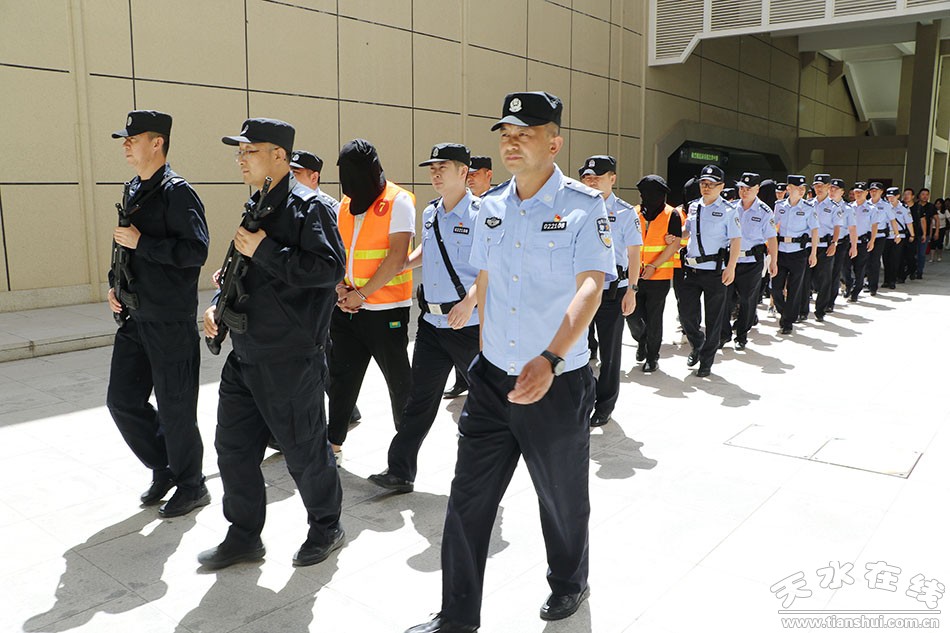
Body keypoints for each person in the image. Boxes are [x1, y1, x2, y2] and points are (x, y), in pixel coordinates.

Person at [405, 91, 615, 633]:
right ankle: (457, 618)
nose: (512, 143)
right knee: (467, 502)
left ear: (555, 143)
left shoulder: (583, 206)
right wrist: (481, 340)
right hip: (492, 380)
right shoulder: (491, 206)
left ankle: (569, 583)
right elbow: (486, 276)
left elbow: (591, 286)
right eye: (506, 134)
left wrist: (550, 356)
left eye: (525, 133)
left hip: (556, 383)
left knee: (561, 499)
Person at [199, 118, 345, 569]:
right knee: (233, 450)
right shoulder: (257, 203)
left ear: (280, 155)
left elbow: (329, 270)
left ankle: (327, 527)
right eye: (239, 152)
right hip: (246, 353)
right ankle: (244, 536)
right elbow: (238, 268)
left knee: (304, 452)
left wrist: (265, 250)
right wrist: (218, 306)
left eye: (250, 151)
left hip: (290, 358)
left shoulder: (311, 207)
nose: (241, 159)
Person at [105, 110, 210, 518]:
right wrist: (115, 284)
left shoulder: (177, 193)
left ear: (157, 143)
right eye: (125, 140)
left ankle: (192, 485)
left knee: (175, 407)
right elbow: (122, 245)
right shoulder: (133, 188)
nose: (126, 146)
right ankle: (164, 466)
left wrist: (143, 243)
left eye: (133, 139)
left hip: (169, 321)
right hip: (135, 317)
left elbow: (195, 251)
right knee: (122, 400)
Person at [369, 143, 481, 493]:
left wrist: (469, 303)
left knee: (488, 400)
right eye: (432, 168)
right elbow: (431, 249)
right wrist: (405, 263)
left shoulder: (482, 215)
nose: (434, 174)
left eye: (442, 167)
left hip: (468, 326)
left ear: (463, 171)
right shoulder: (431, 212)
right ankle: (399, 471)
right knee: (418, 401)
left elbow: (492, 269)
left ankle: (489, 471)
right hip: (431, 326)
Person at [327, 140, 415, 463]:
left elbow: (397, 258)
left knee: (400, 386)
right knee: (341, 381)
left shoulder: (398, 201)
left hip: (385, 311)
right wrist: (340, 289)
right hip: (347, 309)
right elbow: (338, 252)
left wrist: (361, 294)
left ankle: (403, 461)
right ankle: (332, 447)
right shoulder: (344, 205)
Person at [289, 149, 362, 432]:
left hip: (325, 292)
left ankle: (323, 417)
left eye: (296, 173)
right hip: (302, 293)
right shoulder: (292, 205)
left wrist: (342, 288)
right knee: (323, 352)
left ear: (314, 177)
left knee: (319, 351)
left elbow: (339, 254)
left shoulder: (331, 208)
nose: (291, 178)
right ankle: (347, 407)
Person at [578, 155, 640, 424]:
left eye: (597, 177)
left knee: (609, 353)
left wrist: (632, 290)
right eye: (587, 177)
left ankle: (604, 405)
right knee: (577, 349)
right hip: (580, 292)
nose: (591, 182)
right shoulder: (576, 210)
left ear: (612, 179)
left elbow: (635, 254)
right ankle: (585, 396)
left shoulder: (625, 213)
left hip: (613, 293)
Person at [677, 164, 741, 376]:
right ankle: (697, 343)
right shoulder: (694, 206)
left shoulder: (729, 211)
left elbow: (736, 240)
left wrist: (731, 267)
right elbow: (688, 231)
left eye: (711, 184)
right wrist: (676, 237)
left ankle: (706, 361)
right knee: (686, 315)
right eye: (703, 183)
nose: (706, 187)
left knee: (714, 319)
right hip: (691, 269)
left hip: (715, 271)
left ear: (721, 186)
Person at [443, 155, 494, 400]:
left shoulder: (495, 206)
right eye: (468, 174)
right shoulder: (457, 205)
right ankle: (461, 381)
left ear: (489, 175)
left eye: (475, 174)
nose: (470, 178)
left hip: (485, 290)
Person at [626, 175, 682, 372]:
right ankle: (642, 339)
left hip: (659, 276)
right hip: (634, 274)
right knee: (631, 315)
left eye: (652, 193)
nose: (647, 197)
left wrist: (653, 266)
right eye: (644, 193)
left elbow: (674, 244)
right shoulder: (633, 213)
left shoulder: (671, 214)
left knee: (654, 318)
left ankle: (652, 356)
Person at [722, 172, 777, 349]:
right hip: (731, 261)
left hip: (752, 262)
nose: (744, 192)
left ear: (757, 189)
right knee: (725, 299)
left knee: (747, 299)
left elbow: (772, 238)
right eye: (741, 188)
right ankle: (724, 334)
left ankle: (741, 335)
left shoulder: (764, 211)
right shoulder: (730, 208)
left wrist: (774, 261)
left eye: (748, 189)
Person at [773, 175, 818, 334]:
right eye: (797, 188)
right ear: (788, 189)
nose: (801, 190)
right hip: (781, 251)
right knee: (775, 288)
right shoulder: (779, 206)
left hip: (798, 253)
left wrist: (813, 253)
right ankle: (784, 311)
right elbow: (773, 228)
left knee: (794, 289)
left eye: (803, 188)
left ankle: (787, 322)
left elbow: (815, 230)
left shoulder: (808, 207)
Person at [807, 174, 843, 321]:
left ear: (828, 187)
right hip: (808, 245)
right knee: (805, 280)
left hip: (824, 246)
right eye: (816, 186)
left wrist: (834, 243)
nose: (819, 188)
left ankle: (820, 310)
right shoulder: (808, 204)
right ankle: (803, 310)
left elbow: (837, 227)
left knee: (824, 280)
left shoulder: (834, 206)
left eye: (822, 186)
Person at [824, 178, 858, 314]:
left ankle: (829, 302)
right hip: (823, 243)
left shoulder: (848, 209)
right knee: (821, 274)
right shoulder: (822, 205)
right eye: (830, 188)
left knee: (834, 273)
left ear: (842, 192)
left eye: (836, 189)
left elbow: (852, 229)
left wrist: (854, 246)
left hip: (840, 244)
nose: (832, 191)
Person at [846, 182, 874, 303]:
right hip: (848, 241)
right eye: (856, 192)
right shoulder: (848, 207)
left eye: (860, 192)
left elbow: (874, 226)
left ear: (866, 193)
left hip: (862, 242)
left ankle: (856, 291)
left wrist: (872, 240)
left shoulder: (871, 208)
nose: (858, 194)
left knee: (860, 268)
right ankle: (848, 283)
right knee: (844, 267)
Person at [914, 188, 935, 277]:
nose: (925, 196)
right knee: (913, 253)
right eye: (923, 194)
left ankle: (919, 271)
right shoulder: (914, 206)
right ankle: (912, 269)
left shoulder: (931, 206)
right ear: (919, 195)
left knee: (921, 253)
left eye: (927, 195)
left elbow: (935, 220)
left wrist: (933, 232)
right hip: (914, 233)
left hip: (924, 234)